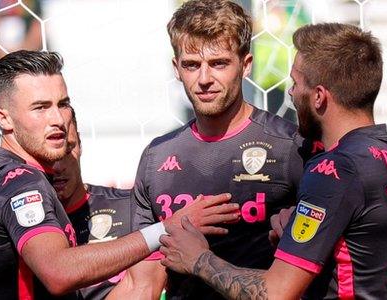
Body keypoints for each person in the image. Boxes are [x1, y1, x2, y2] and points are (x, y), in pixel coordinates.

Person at [159, 23, 387, 299]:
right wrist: (309, 240)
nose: (290, 93)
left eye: (295, 83)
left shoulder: (335, 170)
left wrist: (199, 259)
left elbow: (275, 293)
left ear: (319, 97)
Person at [0, 50, 241, 299]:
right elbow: (58, 272)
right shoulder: (23, 182)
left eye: (62, 103)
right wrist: (165, 229)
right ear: (3, 118)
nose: (57, 120)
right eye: (40, 108)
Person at [119, 1, 312, 298]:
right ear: (176, 68)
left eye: (219, 63)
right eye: (191, 65)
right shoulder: (155, 158)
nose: (205, 79)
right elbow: (142, 285)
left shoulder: (291, 147)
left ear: (246, 65)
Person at [52, 113, 140, 299]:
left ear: (81, 145)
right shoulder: (23, 225)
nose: (58, 166)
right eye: (48, 155)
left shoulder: (132, 207)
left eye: (68, 149)